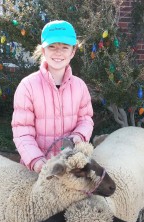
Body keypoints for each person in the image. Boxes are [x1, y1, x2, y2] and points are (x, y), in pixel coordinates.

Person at [11, 20, 94, 173]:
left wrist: (78, 136)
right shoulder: (27, 86)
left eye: (64, 47)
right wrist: (36, 161)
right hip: (36, 171)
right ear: (43, 50)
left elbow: (86, 120)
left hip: (71, 167)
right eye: (52, 46)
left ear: (73, 51)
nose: (58, 52)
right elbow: (22, 131)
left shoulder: (80, 86)